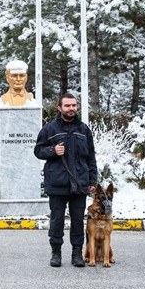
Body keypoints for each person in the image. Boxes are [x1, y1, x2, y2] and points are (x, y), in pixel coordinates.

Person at [34, 94, 97, 267]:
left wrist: (92, 179)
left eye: (74, 105)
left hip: (79, 183)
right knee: (57, 220)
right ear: (59, 108)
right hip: (57, 183)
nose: (71, 109)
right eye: (67, 105)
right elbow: (38, 151)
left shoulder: (84, 130)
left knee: (78, 220)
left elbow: (91, 157)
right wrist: (53, 150)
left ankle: (77, 253)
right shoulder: (50, 129)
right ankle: (56, 253)